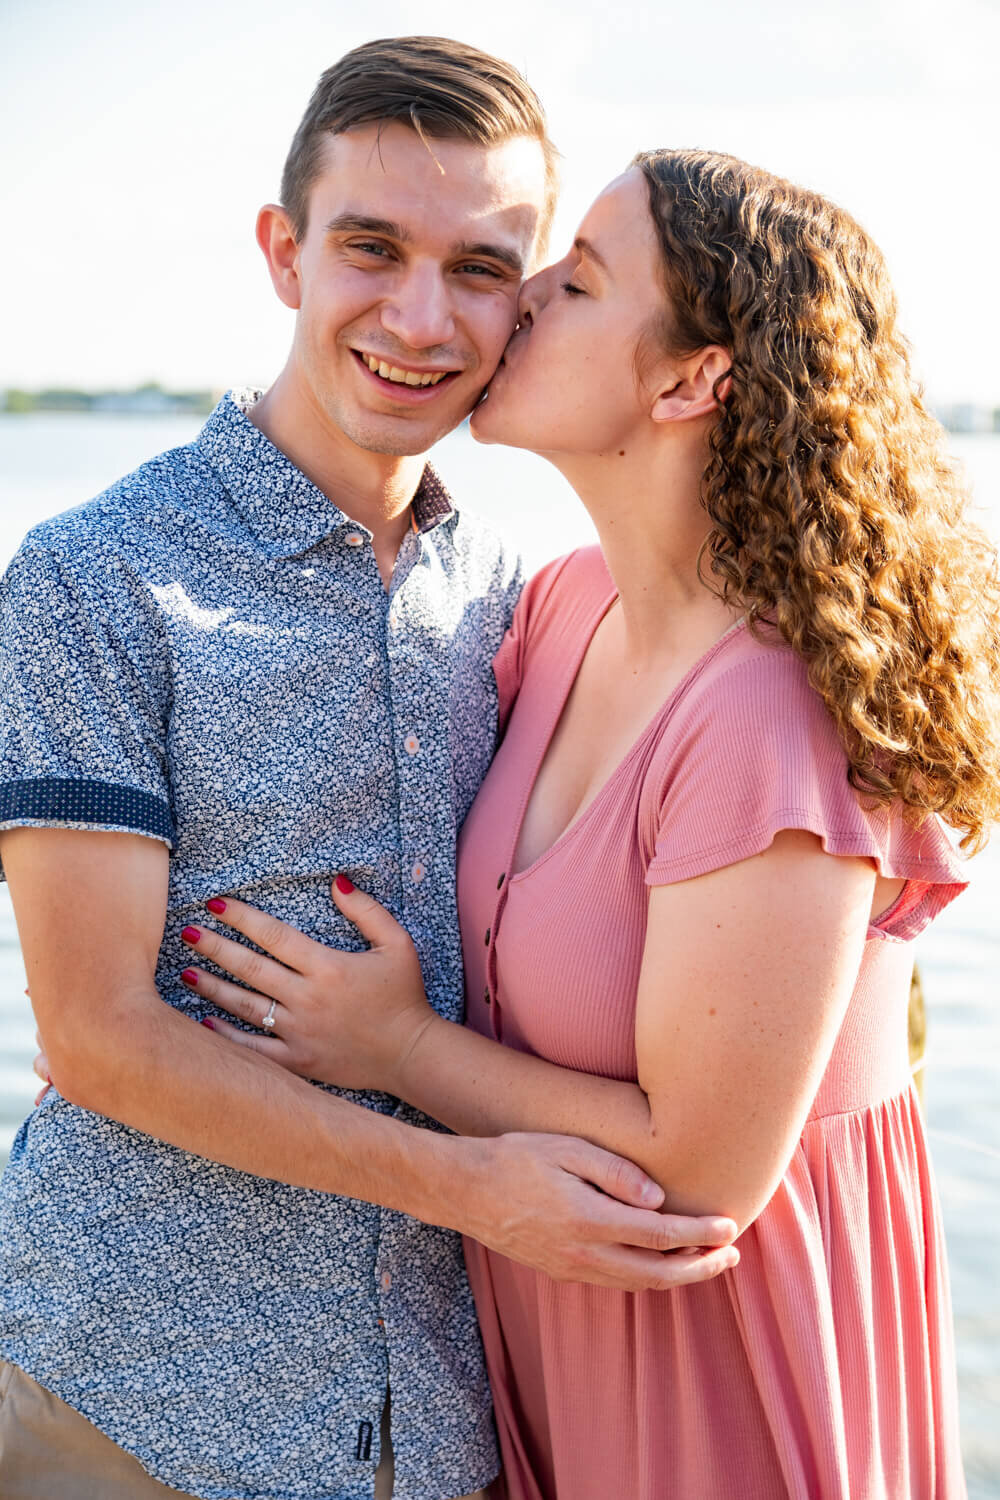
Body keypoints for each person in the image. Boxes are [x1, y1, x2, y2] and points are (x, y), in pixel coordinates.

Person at [182, 151, 1000, 1498]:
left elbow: (700, 1166)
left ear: (690, 382)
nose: (517, 305)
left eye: (576, 282)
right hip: (559, 1330)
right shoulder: (563, 613)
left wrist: (395, 1044)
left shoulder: (763, 714)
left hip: (720, 1362)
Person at [0, 46, 739, 1500]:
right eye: (371, 249)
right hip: (129, 1407)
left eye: (479, 268)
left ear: (528, 303)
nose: (420, 318)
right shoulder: (94, 580)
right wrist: (474, 1188)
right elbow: (94, 1037)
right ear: (284, 255)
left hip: (443, 1424)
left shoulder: (522, 602)